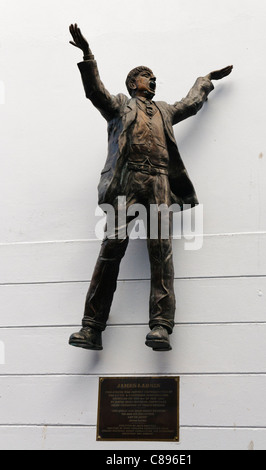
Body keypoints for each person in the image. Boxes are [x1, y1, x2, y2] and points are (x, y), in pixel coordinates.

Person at [68, 24, 233, 352]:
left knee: (161, 252)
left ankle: (160, 326)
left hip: (159, 182)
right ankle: (91, 327)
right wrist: (88, 56)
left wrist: (206, 81)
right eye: (147, 76)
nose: (153, 80)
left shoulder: (165, 111)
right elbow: (94, 92)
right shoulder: (118, 106)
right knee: (111, 249)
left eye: (154, 77)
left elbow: (191, 104)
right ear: (133, 83)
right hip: (127, 182)